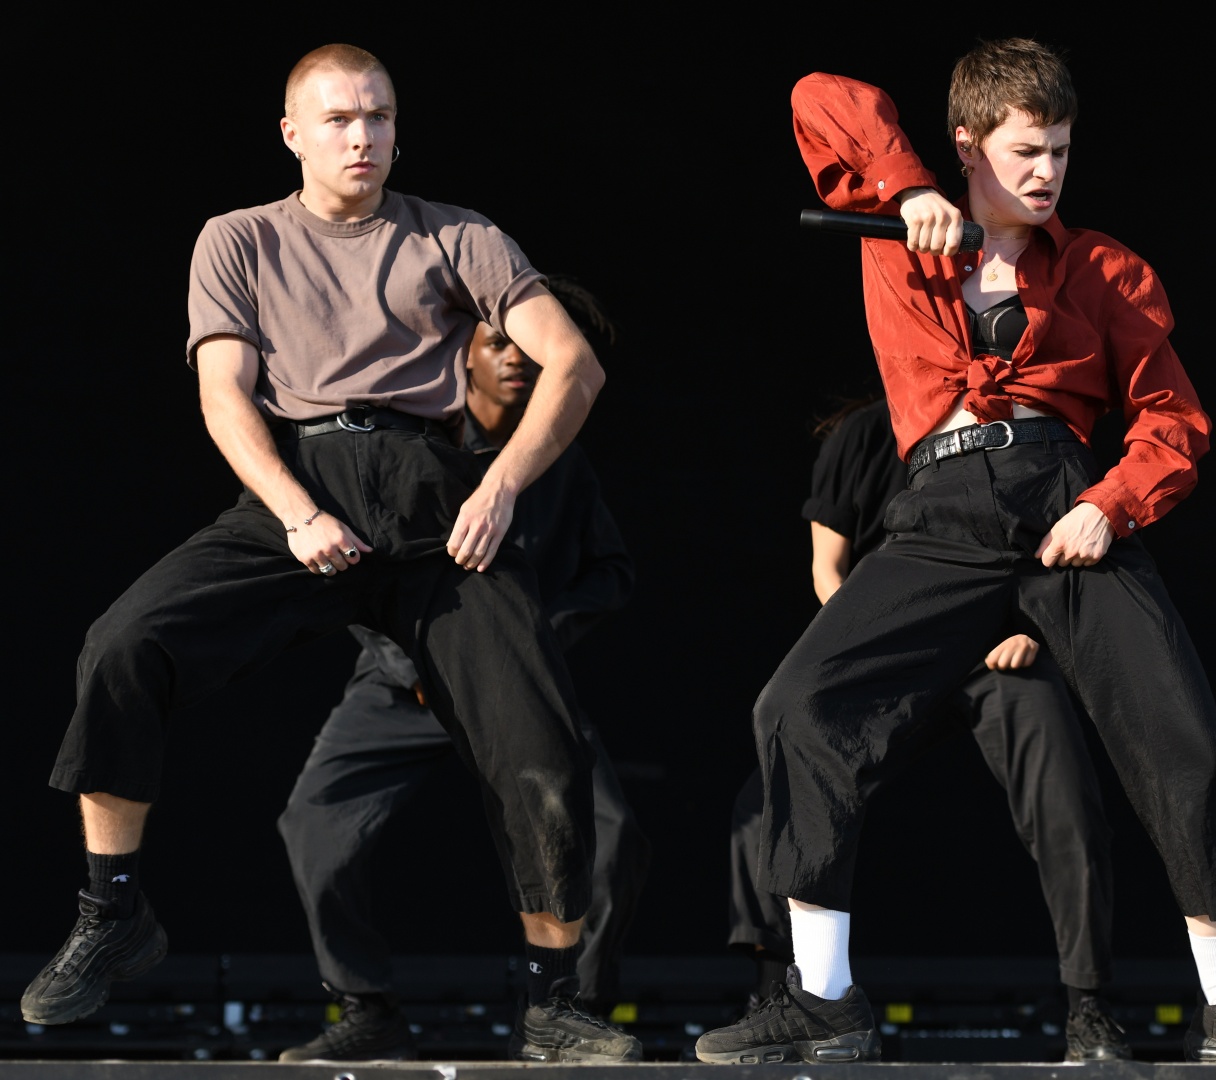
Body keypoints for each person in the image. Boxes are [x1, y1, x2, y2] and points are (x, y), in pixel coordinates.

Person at [695, 39, 1216, 1066]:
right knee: (798, 707)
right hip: (940, 509)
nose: (1046, 172)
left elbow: (1177, 422)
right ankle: (825, 998)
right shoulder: (895, 233)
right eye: (1027, 150)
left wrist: (1113, 507)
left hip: (1062, 494)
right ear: (968, 142)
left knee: (1186, 741)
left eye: (1062, 152)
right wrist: (906, 190)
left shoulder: (1103, 269)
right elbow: (819, 95)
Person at [20, 45, 639, 1064]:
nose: (364, 137)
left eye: (381, 117)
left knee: (540, 747)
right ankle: (111, 908)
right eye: (342, 119)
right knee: (122, 644)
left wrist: (500, 485)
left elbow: (574, 359)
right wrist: (296, 512)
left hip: (435, 496)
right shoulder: (239, 239)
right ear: (293, 133)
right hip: (299, 485)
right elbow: (224, 395)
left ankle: (554, 1003)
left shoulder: (457, 233)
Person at [277, 282, 645, 1062]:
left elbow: (611, 573)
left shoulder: (557, 459)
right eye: (496, 344)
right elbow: (351, 573)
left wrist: (535, 638)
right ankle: (364, 1006)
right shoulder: (408, 445)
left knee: (610, 838)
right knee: (314, 823)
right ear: (461, 358)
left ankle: (565, 1011)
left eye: (526, 346)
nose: (516, 358)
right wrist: (406, 661)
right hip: (402, 681)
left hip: (520, 678)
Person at [726, 396, 1126, 1062]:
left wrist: (1033, 629)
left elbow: (1063, 545)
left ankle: (1089, 1007)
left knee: (1068, 801)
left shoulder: (1024, 427)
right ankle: (784, 992)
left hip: (998, 653)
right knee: (774, 780)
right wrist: (870, 644)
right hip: (899, 651)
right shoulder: (860, 433)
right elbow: (829, 570)